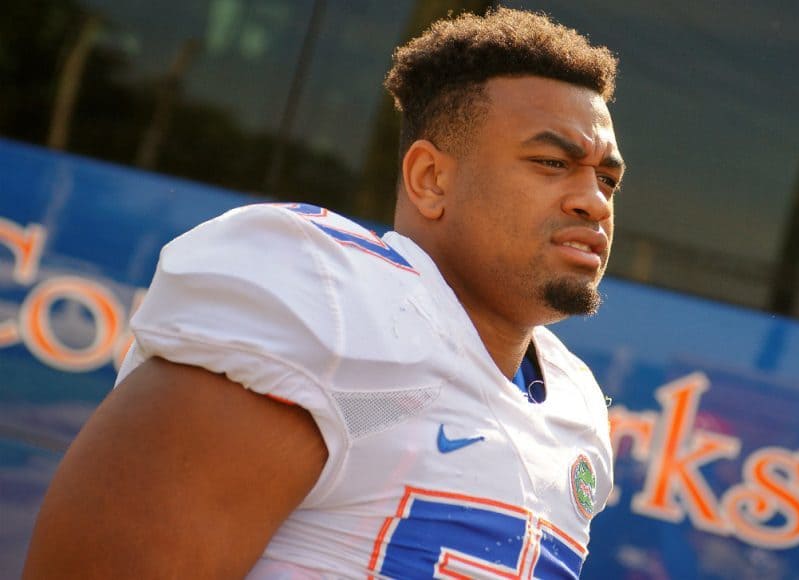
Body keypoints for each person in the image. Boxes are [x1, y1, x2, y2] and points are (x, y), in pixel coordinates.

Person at [23, 7, 625, 578]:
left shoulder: (575, 405)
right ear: (430, 178)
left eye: (607, 178)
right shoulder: (334, 315)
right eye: (551, 162)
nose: (594, 202)